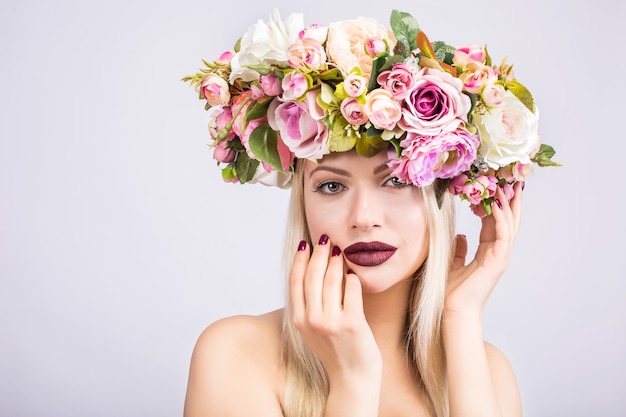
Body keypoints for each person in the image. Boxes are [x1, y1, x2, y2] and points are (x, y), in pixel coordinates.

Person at [181, 9, 558, 417]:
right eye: (331, 186)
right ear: (303, 203)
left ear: (440, 194)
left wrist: (460, 316)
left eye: (396, 181)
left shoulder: (488, 370)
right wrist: (352, 382)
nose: (363, 217)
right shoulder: (235, 354)